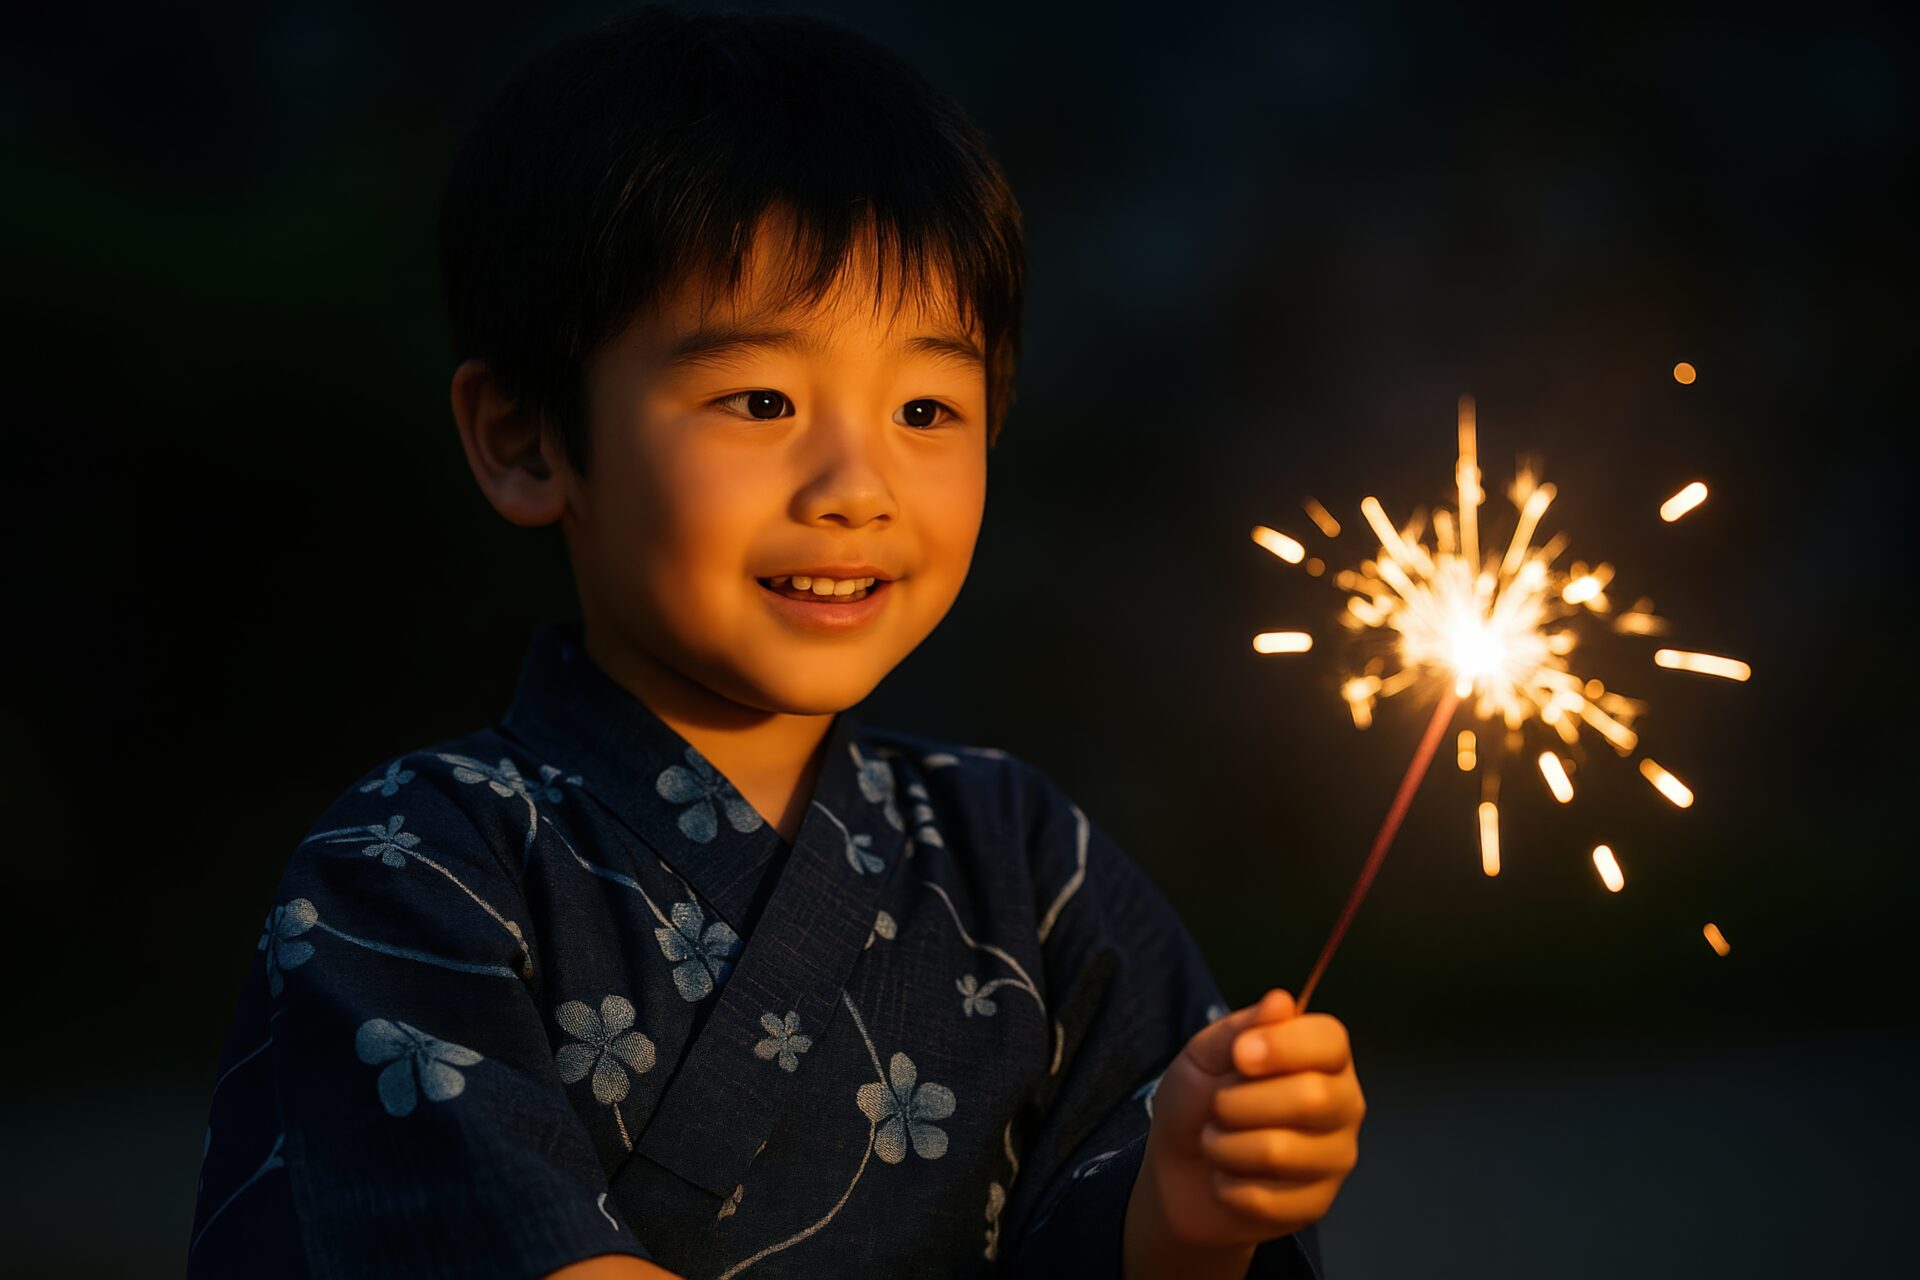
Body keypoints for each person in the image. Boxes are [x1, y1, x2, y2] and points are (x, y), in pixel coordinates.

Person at [187, 7, 1365, 1277]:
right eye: (760, 399)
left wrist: (1186, 1211)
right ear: (526, 437)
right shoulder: (411, 869)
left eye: (927, 405)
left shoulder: (1028, 866)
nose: (856, 485)